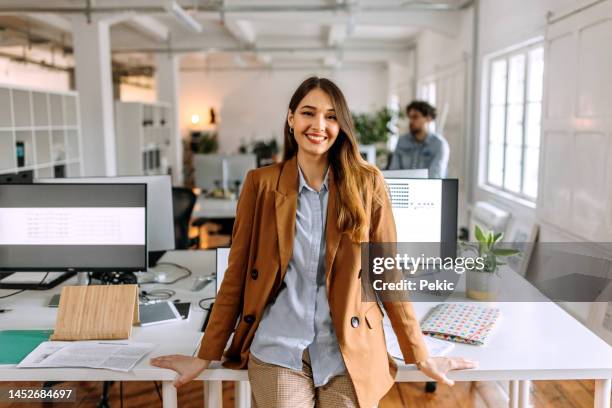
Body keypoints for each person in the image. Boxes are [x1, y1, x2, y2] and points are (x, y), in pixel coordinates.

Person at [150, 77, 476, 407]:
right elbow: (236, 275)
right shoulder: (260, 184)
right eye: (308, 113)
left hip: (349, 348)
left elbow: (387, 275)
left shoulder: (368, 183)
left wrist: (420, 354)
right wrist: (206, 354)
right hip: (279, 348)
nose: (319, 125)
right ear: (291, 118)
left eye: (331, 116)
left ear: (341, 124)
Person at [388, 100, 450, 178]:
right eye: (410, 117)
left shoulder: (439, 145)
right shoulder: (402, 141)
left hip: (428, 189)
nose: (411, 121)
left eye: (415, 117)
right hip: (404, 188)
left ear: (428, 118)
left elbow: (435, 177)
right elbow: (394, 172)